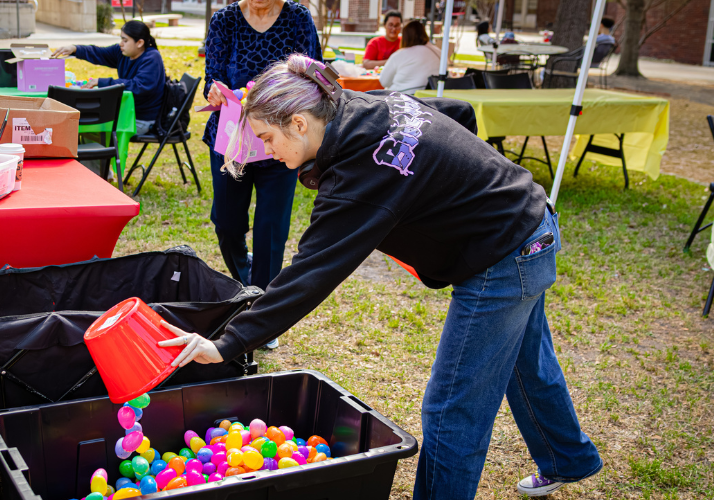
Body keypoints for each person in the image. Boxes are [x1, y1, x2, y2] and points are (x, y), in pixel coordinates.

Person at [157, 55, 603, 499]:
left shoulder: (360, 175)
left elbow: (310, 273)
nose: (267, 153)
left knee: (452, 409)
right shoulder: (357, 105)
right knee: (527, 366)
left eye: (268, 139)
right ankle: (569, 457)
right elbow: (457, 111)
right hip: (530, 220)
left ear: (298, 123)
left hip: (504, 254)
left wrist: (226, 343)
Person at [203, 0, 322, 348]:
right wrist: (214, 90)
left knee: (271, 229)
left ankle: (262, 312)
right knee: (226, 223)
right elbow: (214, 76)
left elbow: (313, 74)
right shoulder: (225, 19)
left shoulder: (297, 17)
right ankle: (248, 284)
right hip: (232, 139)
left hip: (282, 139)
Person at [52, 20, 165, 136]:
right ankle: (95, 152)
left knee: (92, 124)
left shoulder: (152, 58)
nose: (121, 43)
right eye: (121, 39)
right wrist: (75, 49)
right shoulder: (123, 53)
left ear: (139, 43)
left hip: (143, 119)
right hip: (126, 112)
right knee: (87, 121)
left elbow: (138, 86)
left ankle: (105, 153)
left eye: (125, 40)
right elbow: (100, 53)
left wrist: (101, 82)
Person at [378, 19, 440, 94]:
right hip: (432, 98)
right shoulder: (438, 52)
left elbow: (384, 81)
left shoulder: (399, 55)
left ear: (405, 37)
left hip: (402, 98)